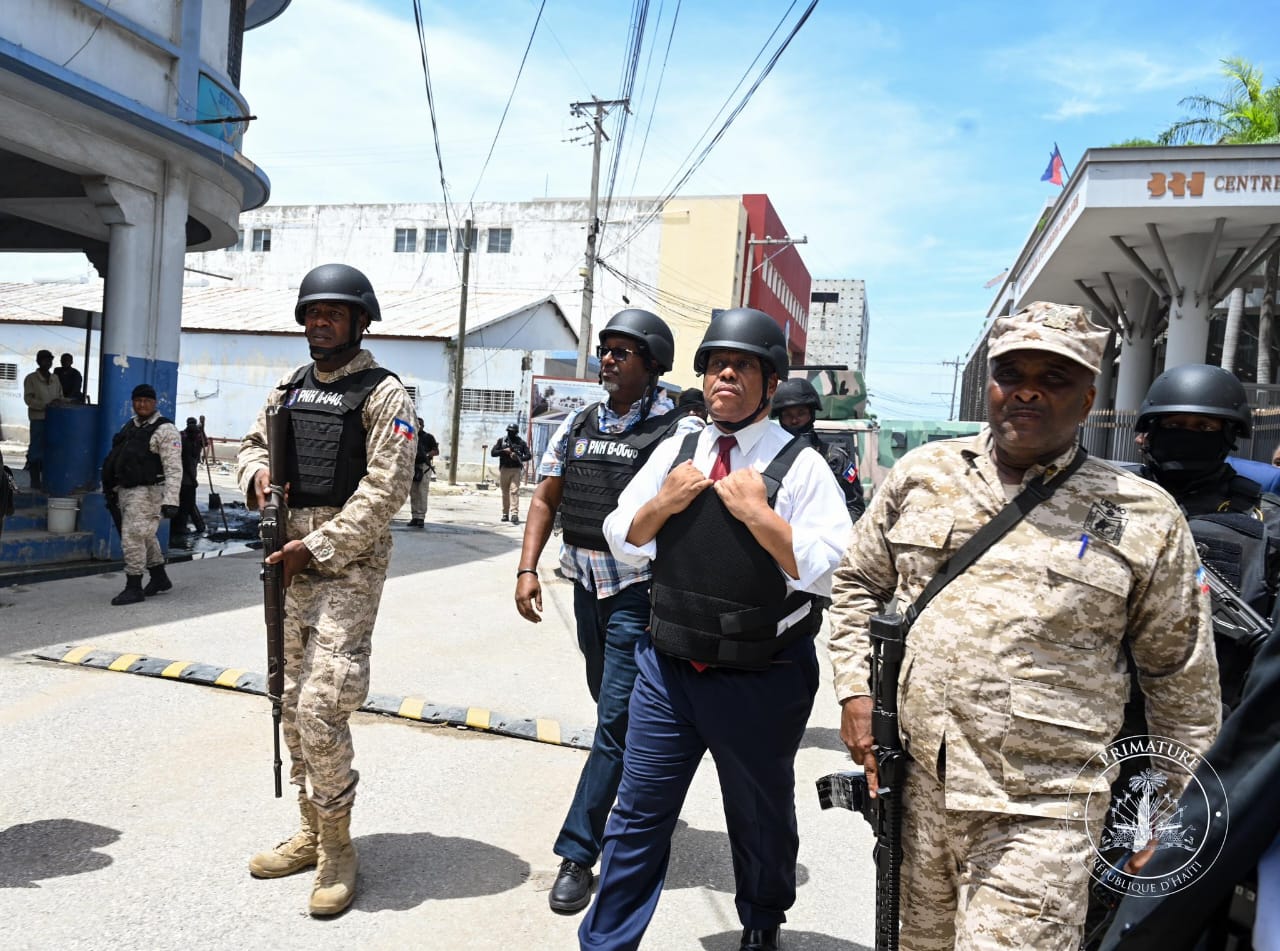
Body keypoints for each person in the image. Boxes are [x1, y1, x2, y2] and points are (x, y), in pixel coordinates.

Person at [827, 301, 1221, 950]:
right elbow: (857, 585)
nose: (1028, 389)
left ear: (1091, 396)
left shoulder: (1144, 516)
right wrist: (854, 691)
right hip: (919, 788)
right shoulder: (923, 476)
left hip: (1047, 810)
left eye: (1055, 377)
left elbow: (1181, 680)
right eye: (1012, 372)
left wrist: (1176, 817)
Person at [581, 308, 851, 951]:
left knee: (759, 815)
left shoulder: (800, 466)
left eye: (744, 366)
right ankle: (607, 941)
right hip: (668, 666)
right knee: (638, 816)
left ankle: (761, 922)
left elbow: (832, 572)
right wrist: (663, 504)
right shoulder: (678, 450)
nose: (726, 374)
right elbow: (622, 539)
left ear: (770, 381)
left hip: (761, 675)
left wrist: (761, 516)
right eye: (715, 364)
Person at [236, 263, 415, 918]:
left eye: (333, 313)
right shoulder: (290, 387)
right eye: (312, 312)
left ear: (359, 320)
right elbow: (252, 445)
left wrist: (314, 548)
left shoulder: (385, 394)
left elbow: (384, 492)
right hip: (287, 564)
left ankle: (339, 843)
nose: (320, 322)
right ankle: (311, 829)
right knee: (287, 701)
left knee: (320, 704)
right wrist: (256, 474)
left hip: (346, 568)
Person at [514, 308, 694, 917]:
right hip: (585, 585)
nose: (609, 360)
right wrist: (526, 566)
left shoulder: (677, 431)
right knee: (609, 705)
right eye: (606, 350)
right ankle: (640, 791)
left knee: (614, 721)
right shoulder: (578, 424)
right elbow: (546, 496)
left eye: (624, 351)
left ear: (653, 364)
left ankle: (577, 854)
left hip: (639, 592)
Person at [100, 384, 183, 605]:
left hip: (148, 492)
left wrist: (171, 500)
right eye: (138, 400)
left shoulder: (165, 430)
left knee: (132, 537)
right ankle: (159, 577)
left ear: (155, 403)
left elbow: (174, 468)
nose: (142, 404)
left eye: (147, 400)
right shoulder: (132, 426)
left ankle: (133, 586)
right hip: (126, 491)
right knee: (145, 536)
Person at [770, 376, 866, 522]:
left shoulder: (834, 458)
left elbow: (854, 506)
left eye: (801, 413)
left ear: (812, 414)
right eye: (787, 415)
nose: (794, 420)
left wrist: (839, 538)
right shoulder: (771, 456)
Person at [22, 349, 63, 490]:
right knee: (36, 450)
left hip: (54, 420)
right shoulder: (31, 378)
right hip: (38, 419)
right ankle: (35, 481)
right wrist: (45, 406)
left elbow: (60, 396)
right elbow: (28, 399)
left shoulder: (55, 378)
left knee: (51, 449)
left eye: (50, 360)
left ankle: (47, 479)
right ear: (38, 361)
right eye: (45, 360)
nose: (48, 362)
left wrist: (60, 403)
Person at [170, 417, 207, 536]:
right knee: (185, 505)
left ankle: (197, 526)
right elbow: (185, 463)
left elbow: (204, 442)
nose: (196, 435)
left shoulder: (194, 440)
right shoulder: (184, 440)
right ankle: (181, 527)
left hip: (190, 478)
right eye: (195, 433)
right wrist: (193, 479)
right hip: (185, 480)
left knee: (188, 504)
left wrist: (203, 429)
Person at [491, 423, 532, 524]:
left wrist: (518, 458)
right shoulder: (502, 441)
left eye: (513, 432)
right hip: (504, 469)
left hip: (516, 469)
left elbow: (528, 455)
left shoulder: (521, 443)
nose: (511, 433)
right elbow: (493, 453)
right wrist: (503, 451)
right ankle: (505, 514)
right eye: (509, 431)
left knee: (514, 491)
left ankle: (514, 514)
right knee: (505, 492)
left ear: (516, 432)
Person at [408, 416, 438, 528]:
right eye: (416, 424)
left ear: (423, 426)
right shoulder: (410, 436)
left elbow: (435, 451)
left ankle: (421, 517)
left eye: (420, 424)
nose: (418, 426)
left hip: (424, 467)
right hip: (412, 466)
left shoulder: (428, 437)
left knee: (422, 492)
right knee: (413, 492)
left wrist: (426, 455)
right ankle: (414, 516)